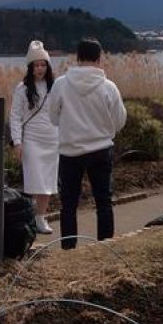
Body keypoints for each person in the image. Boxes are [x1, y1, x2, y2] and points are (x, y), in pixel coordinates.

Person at [46, 38, 127, 250]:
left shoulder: (61, 84)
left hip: (70, 151)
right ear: (99, 58)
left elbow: (53, 117)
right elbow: (119, 120)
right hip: (100, 150)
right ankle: (105, 247)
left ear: (77, 57)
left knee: (69, 204)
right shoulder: (109, 87)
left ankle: (69, 248)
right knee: (103, 202)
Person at [9, 40, 58, 234]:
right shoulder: (22, 88)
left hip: (52, 139)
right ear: (30, 67)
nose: (40, 69)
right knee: (35, 181)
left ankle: (40, 218)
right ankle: (30, 217)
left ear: (48, 66)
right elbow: (15, 116)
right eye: (36, 65)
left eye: (43, 65)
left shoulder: (55, 86)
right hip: (31, 140)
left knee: (48, 182)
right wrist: (17, 142)